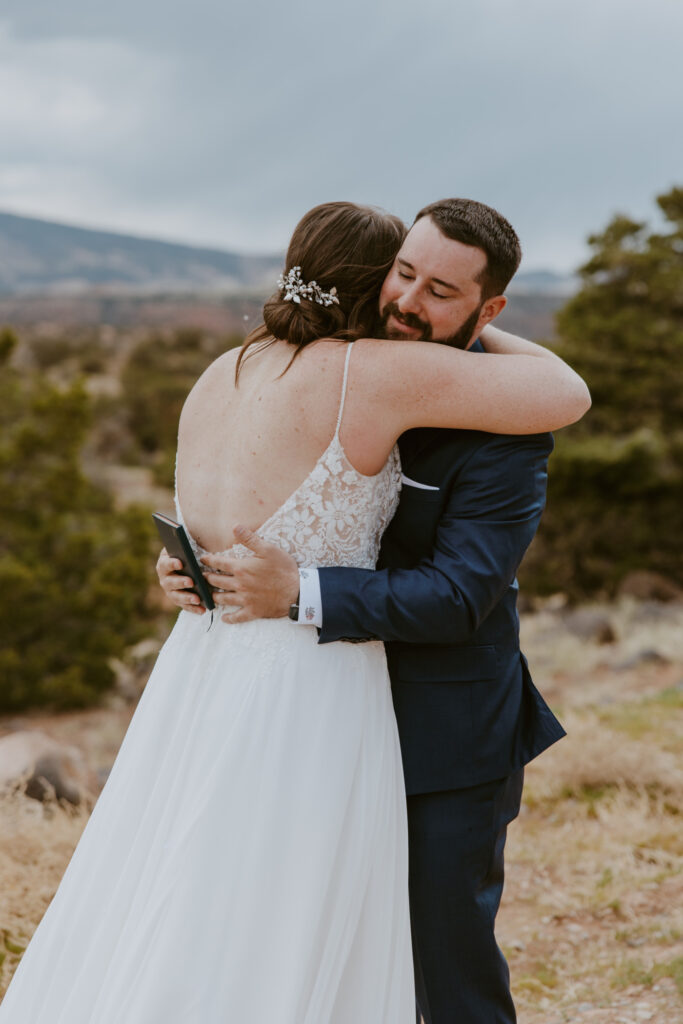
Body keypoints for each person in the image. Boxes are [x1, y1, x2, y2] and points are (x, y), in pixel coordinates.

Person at [1, 201, 589, 1024]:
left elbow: (463, 581)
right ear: (373, 276)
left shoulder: (227, 370)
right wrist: (196, 570)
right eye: (403, 274)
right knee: (270, 921)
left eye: (438, 290)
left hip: (381, 713)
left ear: (488, 309)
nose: (409, 299)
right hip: (307, 695)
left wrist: (238, 578)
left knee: (364, 942)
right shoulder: (367, 374)